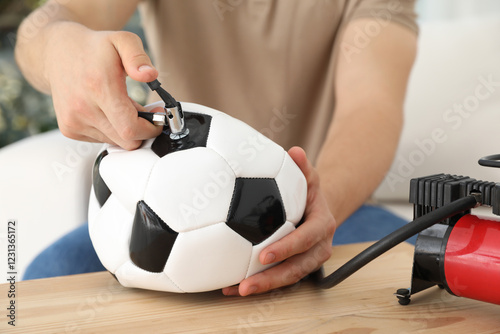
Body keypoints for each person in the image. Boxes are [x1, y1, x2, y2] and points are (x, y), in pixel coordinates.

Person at [15, 0, 418, 296]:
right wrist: (59, 46)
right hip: (157, 214)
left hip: (323, 209)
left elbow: (370, 106)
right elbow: (48, 24)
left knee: (419, 275)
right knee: (47, 278)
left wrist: (318, 204)